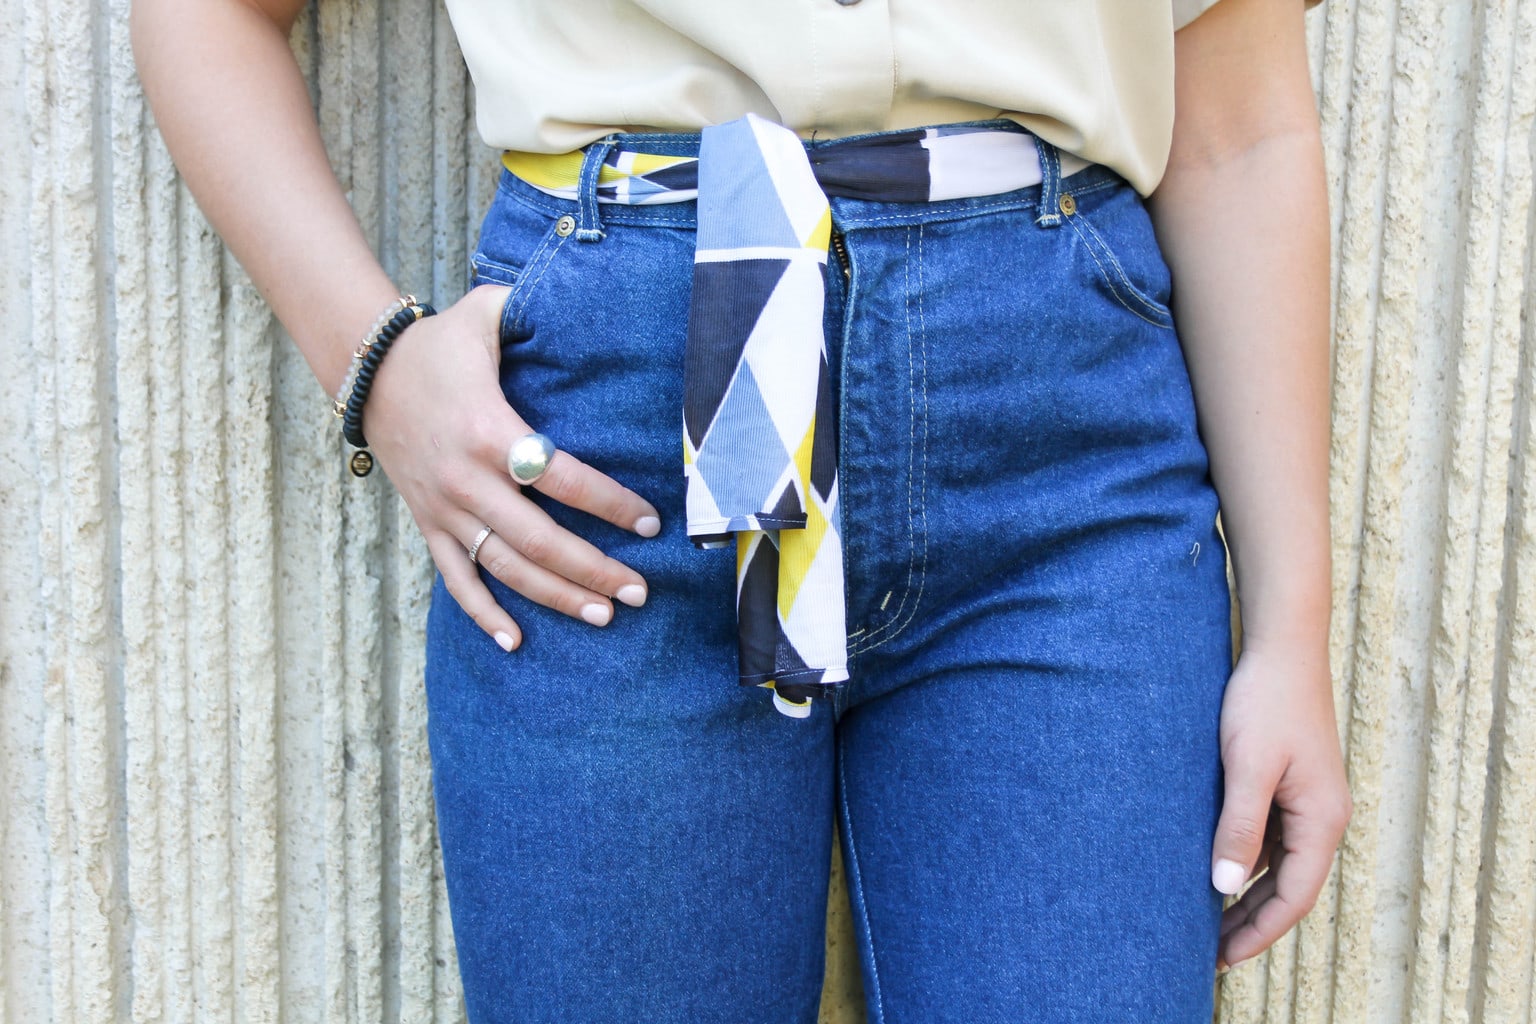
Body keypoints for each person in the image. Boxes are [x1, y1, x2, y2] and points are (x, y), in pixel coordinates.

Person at [132, 0, 1352, 1020]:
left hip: (1063, 469)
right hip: (612, 449)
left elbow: (1237, 123)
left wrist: (1293, 627)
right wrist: (377, 366)